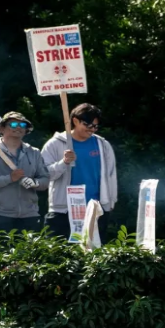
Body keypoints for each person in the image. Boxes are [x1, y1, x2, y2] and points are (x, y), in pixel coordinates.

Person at [42, 103, 117, 242]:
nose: (92, 130)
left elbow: (111, 174)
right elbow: (44, 176)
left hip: (95, 209)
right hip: (63, 210)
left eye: (95, 126)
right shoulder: (54, 144)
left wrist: (110, 202)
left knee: (94, 256)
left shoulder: (102, 145)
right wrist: (63, 162)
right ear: (75, 121)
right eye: (88, 125)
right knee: (59, 256)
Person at [0, 112, 49, 233]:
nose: (18, 127)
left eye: (22, 124)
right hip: (0, 216)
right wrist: (9, 178)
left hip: (30, 216)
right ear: (1, 128)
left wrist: (35, 183)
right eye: (13, 124)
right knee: (2, 252)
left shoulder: (34, 152)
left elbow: (45, 180)